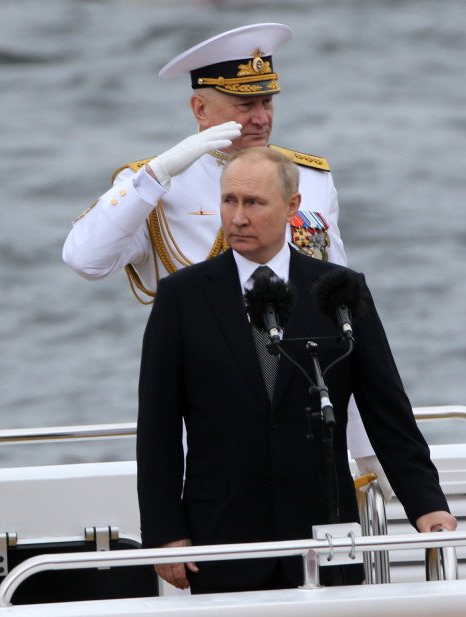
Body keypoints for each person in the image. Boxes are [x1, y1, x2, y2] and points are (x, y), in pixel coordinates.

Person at [62, 22, 389, 491]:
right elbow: (84, 259)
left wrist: (367, 449)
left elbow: (340, 316)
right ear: (200, 108)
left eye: (267, 102)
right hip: (211, 406)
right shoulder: (156, 185)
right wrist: (155, 176)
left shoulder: (309, 179)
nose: (261, 118)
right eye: (244, 104)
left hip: (304, 395)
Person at [136, 147, 456, 593]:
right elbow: (158, 426)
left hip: (324, 524)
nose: (238, 217)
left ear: (292, 207)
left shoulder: (340, 290)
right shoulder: (182, 298)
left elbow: (387, 410)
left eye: (254, 203)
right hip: (224, 533)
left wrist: (427, 504)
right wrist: (164, 532)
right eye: (229, 201)